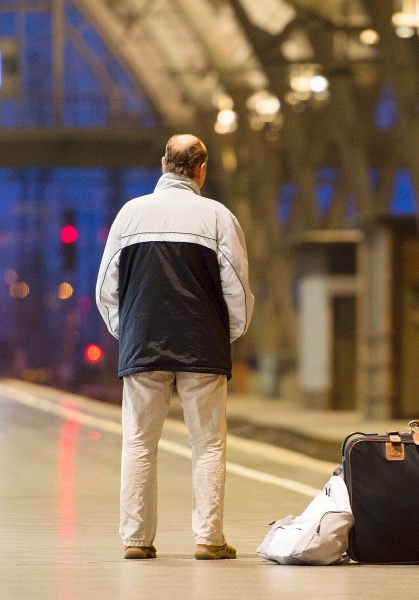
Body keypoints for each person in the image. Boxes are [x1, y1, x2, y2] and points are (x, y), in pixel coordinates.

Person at [96, 134, 254, 560]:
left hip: (141, 343)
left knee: (139, 442)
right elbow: (236, 287)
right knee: (208, 444)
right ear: (202, 169)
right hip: (202, 344)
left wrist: (125, 331)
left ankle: (136, 540)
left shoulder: (130, 215)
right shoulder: (218, 217)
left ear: (163, 163)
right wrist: (227, 333)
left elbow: (105, 288)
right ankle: (208, 539)